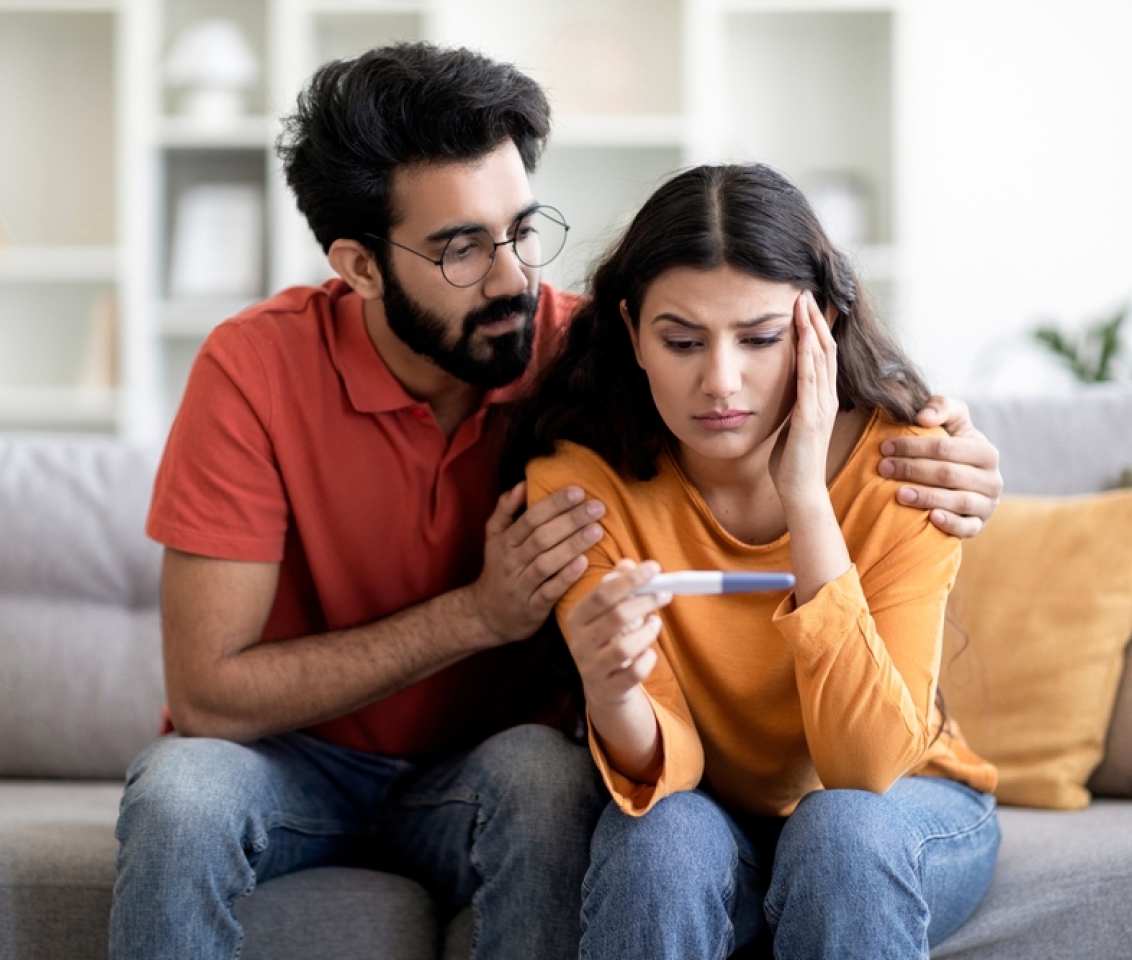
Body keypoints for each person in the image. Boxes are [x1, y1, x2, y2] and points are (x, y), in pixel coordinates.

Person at [109, 43, 1004, 960]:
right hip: (293, 759)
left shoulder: (594, 359)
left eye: (523, 230)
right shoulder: (257, 369)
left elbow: (772, 359)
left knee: (548, 778)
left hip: (491, 764)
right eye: (461, 249)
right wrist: (477, 615)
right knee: (184, 793)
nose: (514, 280)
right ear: (360, 266)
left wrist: (958, 453)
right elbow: (207, 694)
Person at [513, 163, 1001, 960]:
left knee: (839, 835)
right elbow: (668, 772)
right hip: (713, 815)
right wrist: (611, 689)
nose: (720, 382)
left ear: (822, 325)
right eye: (681, 342)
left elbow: (867, 767)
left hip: (901, 803)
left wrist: (804, 495)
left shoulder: (911, 467)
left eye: (761, 338)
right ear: (632, 332)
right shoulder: (581, 487)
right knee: (660, 842)